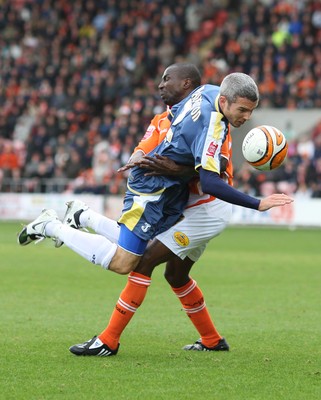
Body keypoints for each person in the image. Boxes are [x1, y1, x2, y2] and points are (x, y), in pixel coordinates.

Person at [18, 64, 293, 354]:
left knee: (141, 260)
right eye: (243, 111)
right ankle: (209, 341)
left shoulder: (209, 97)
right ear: (224, 100)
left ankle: (109, 339)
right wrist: (158, 155)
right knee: (163, 271)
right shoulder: (208, 114)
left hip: (202, 208)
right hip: (174, 195)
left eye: (250, 111)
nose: (247, 117)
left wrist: (185, 169)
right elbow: (201, 162)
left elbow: (214, 174)